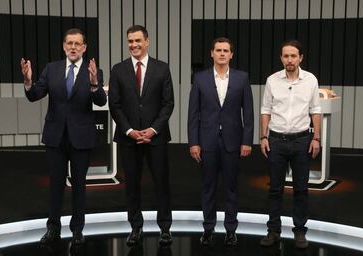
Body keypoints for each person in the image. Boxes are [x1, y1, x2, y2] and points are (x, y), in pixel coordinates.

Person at [20, 28, 107, 246]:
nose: (73, 47)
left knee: (79, 186)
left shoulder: (94, 71)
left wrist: (95, 82)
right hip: (55, 138)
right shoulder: (52, 69)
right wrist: (28, 81)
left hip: (81, 138)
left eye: (77, 44)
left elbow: (100, 101)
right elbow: (34, 95)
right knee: (56, 185)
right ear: (63, 46)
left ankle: (77, 230)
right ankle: (53, 229)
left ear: (84, 48)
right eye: (69, 43)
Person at [108, 25, 174, 246]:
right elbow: (115, 105)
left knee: (161, 184)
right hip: (129, 138)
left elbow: (168, 104)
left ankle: (165, 228)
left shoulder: (162, 68)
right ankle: (135, 228)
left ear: (147, 41)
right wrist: (130, 131)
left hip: (156, 138)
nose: (133, 45)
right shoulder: (118, 69)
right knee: (132, 186)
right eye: (130, 41)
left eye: (137, 40)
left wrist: (152, 130)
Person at [188, 37, 254, 246]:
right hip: (206, 141)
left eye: (226, 50)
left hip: (233, 141)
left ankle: (231, 230)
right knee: (208, 187)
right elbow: (193, 113)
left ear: (231, 55)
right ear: (212, 53)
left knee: (231, 187)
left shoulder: (242, 78)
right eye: (218, 50)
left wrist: (247, 141)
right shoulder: (200, 78)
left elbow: (249, 112)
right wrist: (193, 142)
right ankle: (208, 229)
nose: (222, 54)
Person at [259, 40, 321, 249]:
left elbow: (315, 110)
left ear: (300, 58)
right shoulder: (272, 80)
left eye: (293, 56)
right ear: (281, 58)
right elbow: (265, 110)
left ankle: (300, 232)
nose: (289, 60)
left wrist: (316, 138)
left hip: (302, 140)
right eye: (286, 56)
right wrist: (263, 137)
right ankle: (273, 231)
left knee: (301, 189)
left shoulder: (310, 80)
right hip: (275, 140)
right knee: (275, 190)